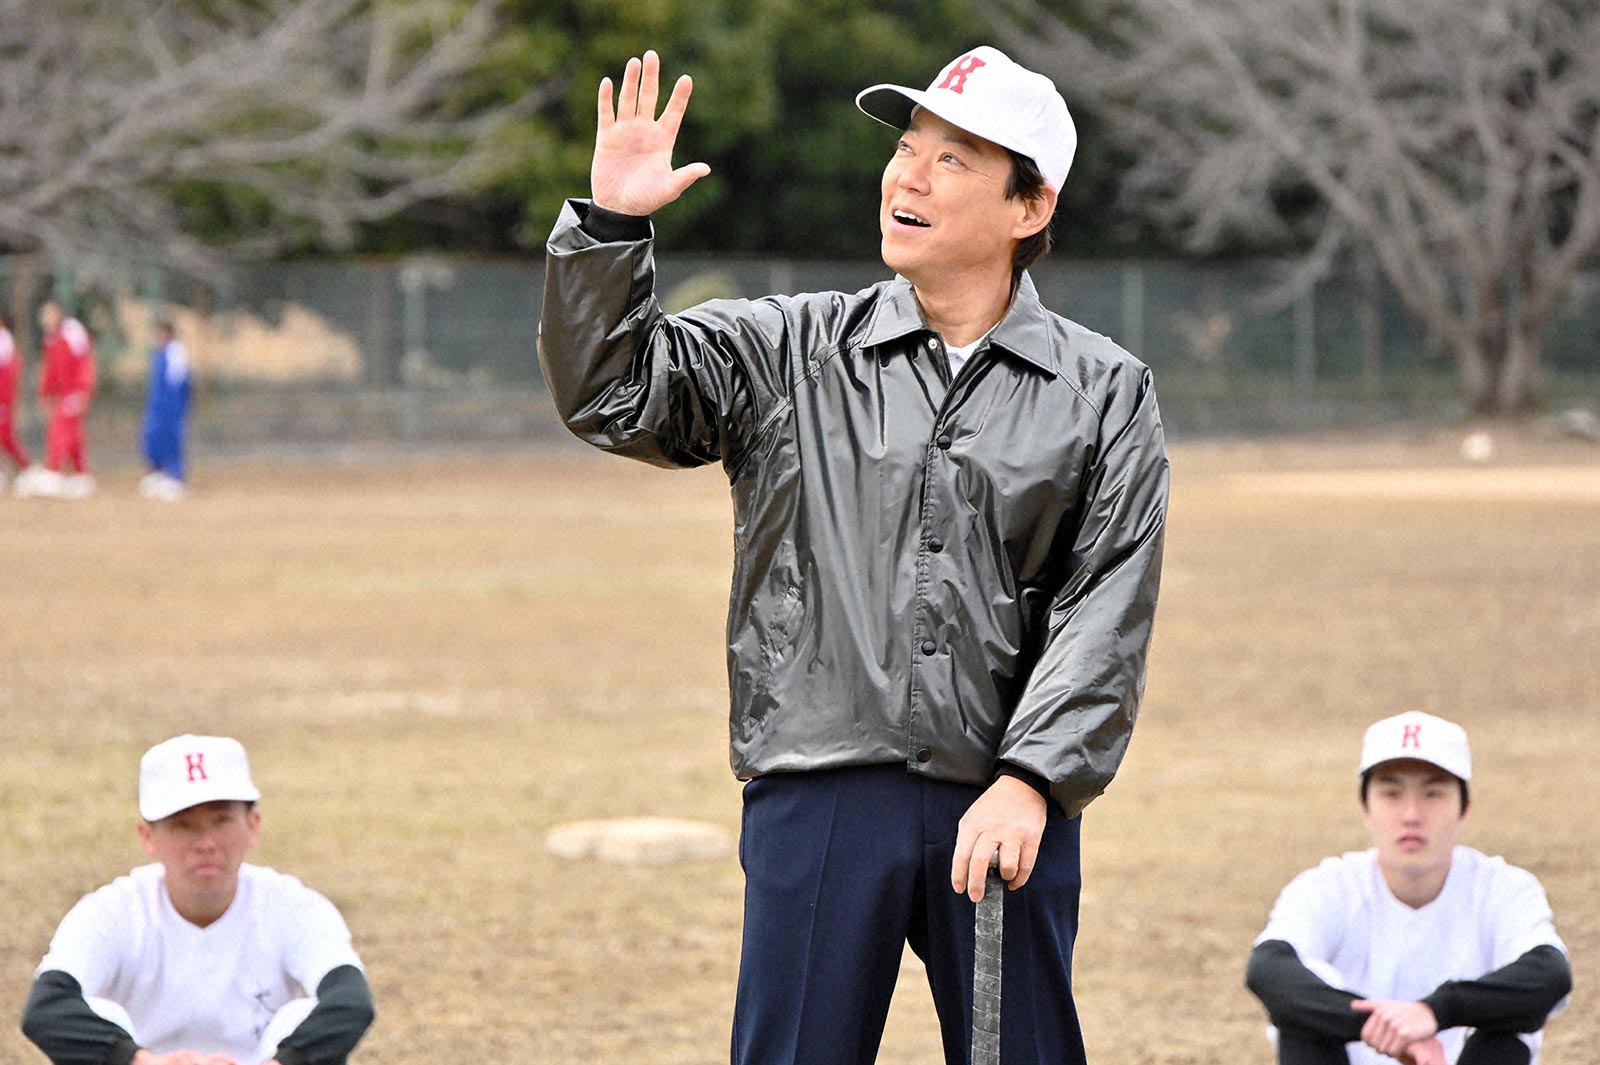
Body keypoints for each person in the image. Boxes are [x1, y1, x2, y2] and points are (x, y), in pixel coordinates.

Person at [538, 47, 1168, 1065]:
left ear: (1029, 207)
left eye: (953, 160)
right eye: (907, 149)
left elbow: (1107, 601)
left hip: (1001, 802)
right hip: (818, 790)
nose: (906, 176)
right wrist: (611, 230)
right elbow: (614, 397)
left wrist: (1034, 780)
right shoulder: (788, 350)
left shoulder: (1103, 391)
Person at [21, 735, 376, 1065]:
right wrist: (143, 1062)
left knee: (299, 1015)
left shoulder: (294, 907)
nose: (205, 842)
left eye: (221, 820)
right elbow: (46, 1008)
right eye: (183, 825)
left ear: (252, 826)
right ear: (147, 837)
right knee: (101, 1012)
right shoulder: (113, 911)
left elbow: (350, 1002)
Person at [1245, 711, 1572, 1065]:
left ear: (1464, 808)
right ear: (1365, 808)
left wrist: (1435, 1012)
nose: (1412, 815)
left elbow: (1549, 973)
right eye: (1391, 793)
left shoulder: (1504, 888)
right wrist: (1385, 1027)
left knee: (1508, 1027)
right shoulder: (1326, 886)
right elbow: (1268, 968)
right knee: (1300, 1019)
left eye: (1433, 793)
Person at [21, 298, 97, 499]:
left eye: (48, 313)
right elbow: (50, 369)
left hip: (74, 393)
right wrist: (45, 393)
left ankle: (54, 472)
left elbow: (85, 362)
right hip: (62, 394)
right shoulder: (50, 338)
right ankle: (81, 476)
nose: (45, 318)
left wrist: (83, 391)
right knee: (73, 435)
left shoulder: (73, 332)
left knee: (60, 430)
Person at [140, 320, 193, 502]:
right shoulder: (158, 354)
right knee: (153, 439)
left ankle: (176, 478)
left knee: (172, 440)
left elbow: (181, 384)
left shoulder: (176, 352)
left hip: (171, 407)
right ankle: (158, 474)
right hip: (157, 406)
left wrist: (179, 406)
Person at [0, 307, 34, 488]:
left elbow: (8, 376)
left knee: (5, 436)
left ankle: (27, 468)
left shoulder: (4, 341)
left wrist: (4, 401)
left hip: (3, 400)